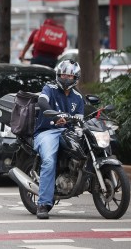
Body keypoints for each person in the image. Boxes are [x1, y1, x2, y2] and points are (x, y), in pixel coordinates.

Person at [33, 60, 84, 219]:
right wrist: (54, 115)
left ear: (75, 77)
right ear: (58, 74)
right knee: (49, 161)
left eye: (70, 75)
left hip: (68, 133)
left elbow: (80, 121)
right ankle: (43, 203)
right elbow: (42, 101)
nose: (66, 77)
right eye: (63, 74)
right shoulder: (50, 89)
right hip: (47, 132)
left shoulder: (78, 97)